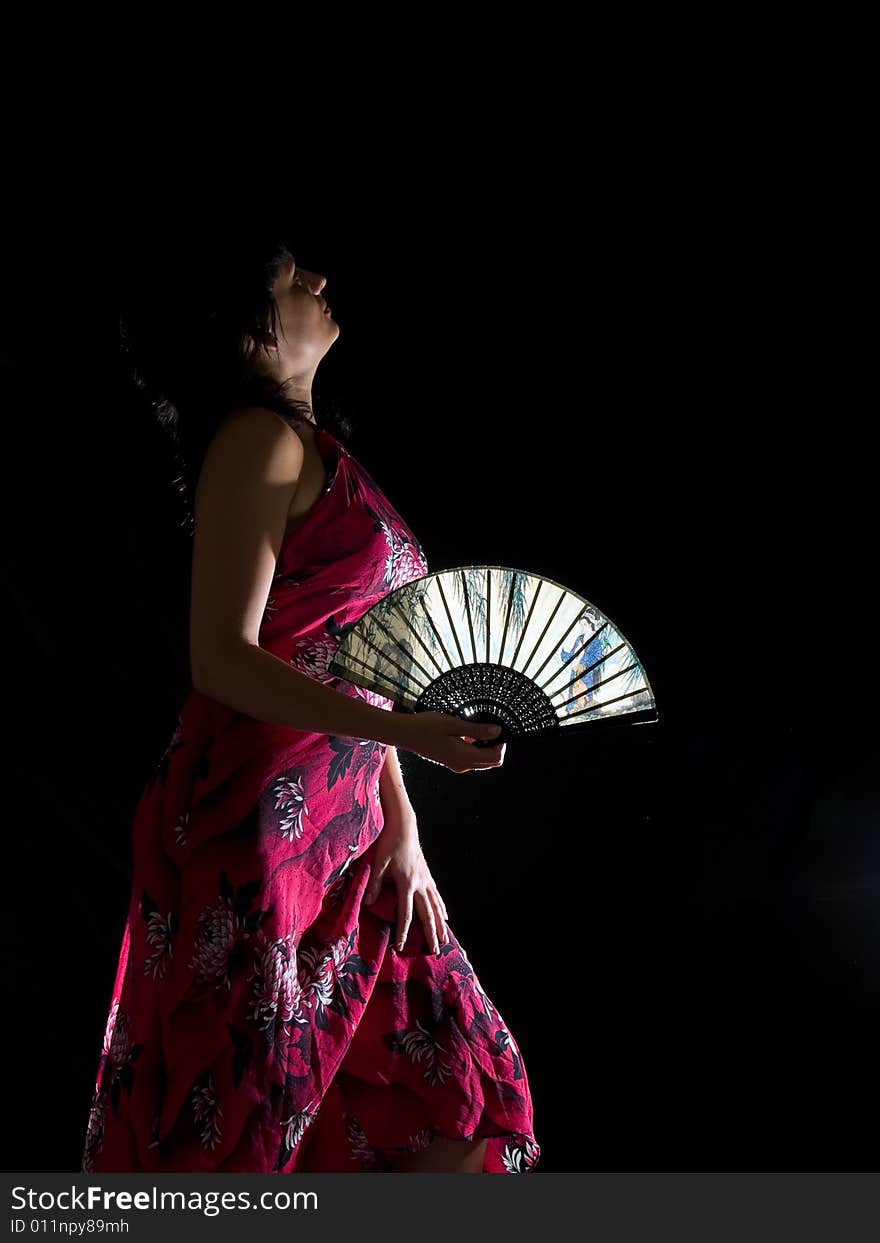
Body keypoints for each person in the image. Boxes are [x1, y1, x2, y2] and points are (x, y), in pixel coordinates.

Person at [81, 230, 541, 1174]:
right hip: (248, 832)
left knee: (445, 1111)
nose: (318, 279)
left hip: (342, 830)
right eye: (290, 277)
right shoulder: (256, 441)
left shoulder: (311, 448)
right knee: (235, 1142)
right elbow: (221, 657)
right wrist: (403, 733)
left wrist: (399, 822)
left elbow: (348, 661)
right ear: (243, 331)